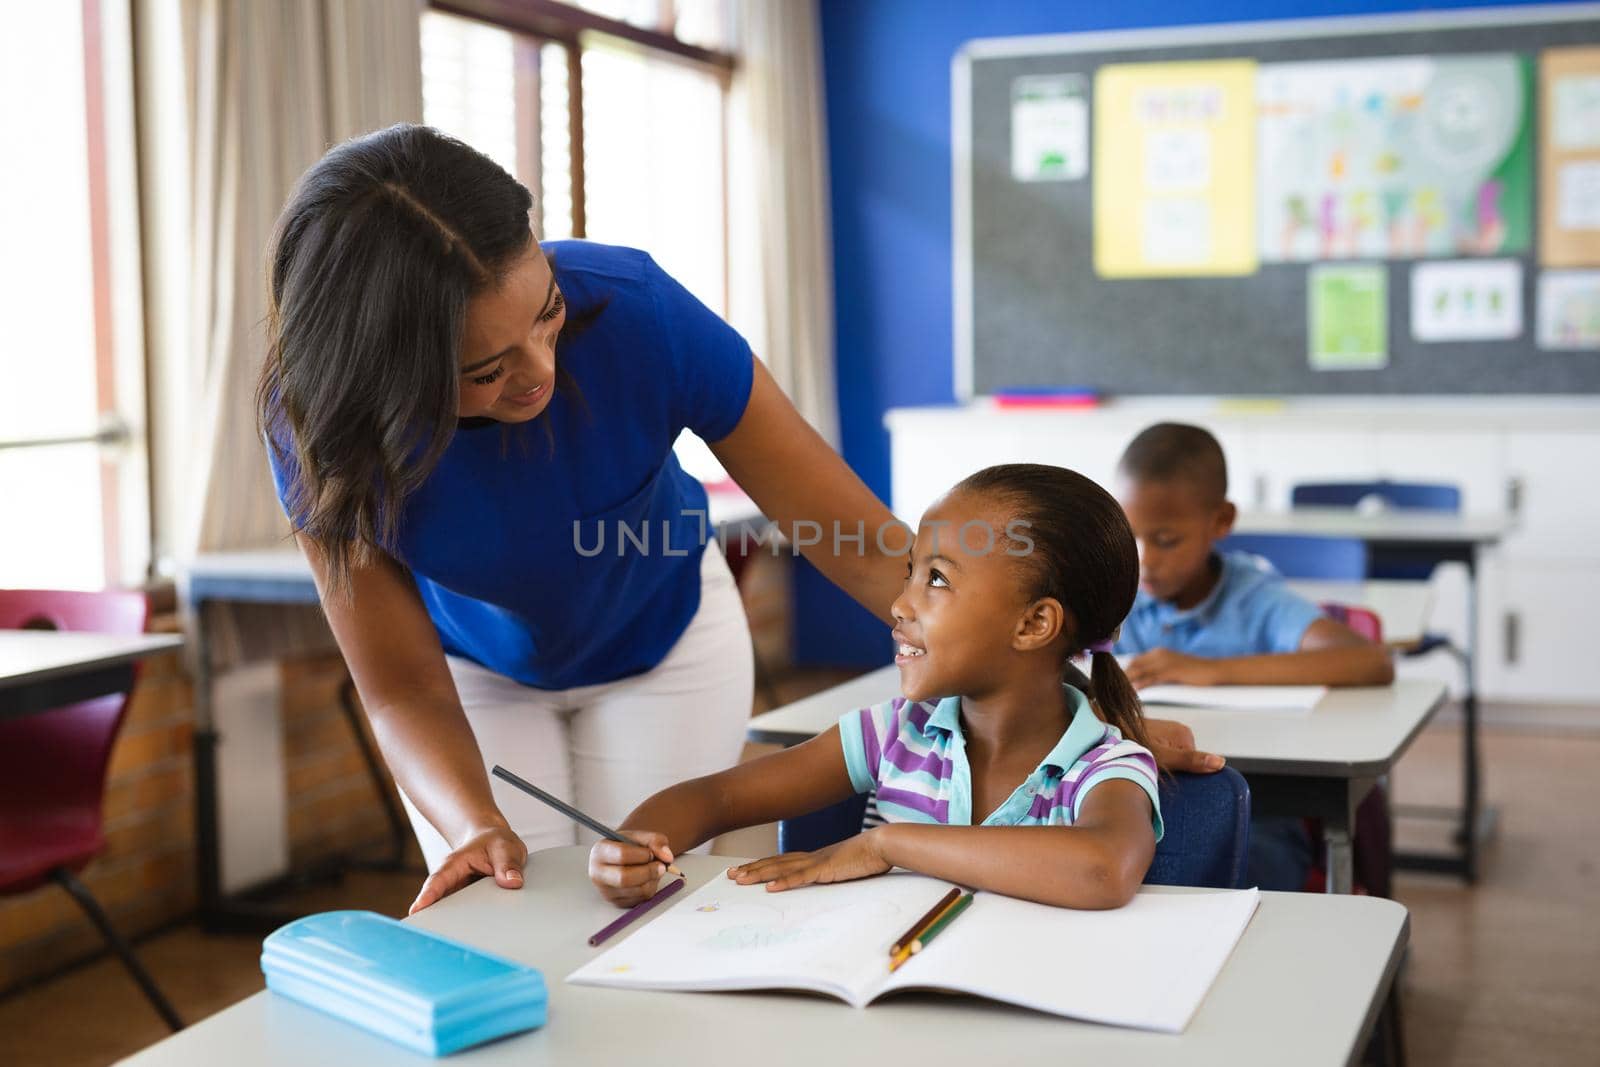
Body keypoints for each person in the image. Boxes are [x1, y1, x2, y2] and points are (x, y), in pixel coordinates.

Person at [261, 124, 1216, 915]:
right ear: (385, 376)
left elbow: (858, 542)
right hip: (468, 675)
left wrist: (1078, 713)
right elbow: (398, 688)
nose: (540, 372)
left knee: (643, 905)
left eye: (545, 315)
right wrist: (470, 822)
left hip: (666, 639)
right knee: (514, 912)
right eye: (485, 370)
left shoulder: (636, 315)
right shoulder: (323, 432)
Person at [588, 464, 1162, 910]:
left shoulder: (1103, 767)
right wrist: (636, 844)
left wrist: (887, 844)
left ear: (1034, 624)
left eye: (936, 579)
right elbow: (714, 799)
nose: (899, 603)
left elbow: (1102, 869)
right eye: (909, 570)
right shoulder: (892, 735)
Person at [1112, 422, 1393, 889]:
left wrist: (1209, 671)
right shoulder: (1117, 592)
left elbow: (1371, 662)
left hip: (1258, 806)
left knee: (1249, 864)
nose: (1145, 560)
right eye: (1130, 535)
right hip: (1137, 797)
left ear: (1221, 521)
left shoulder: (1252, 598)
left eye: (1165, 540)